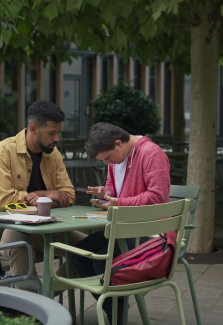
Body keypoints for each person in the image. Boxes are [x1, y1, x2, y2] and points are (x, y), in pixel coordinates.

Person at [70, 122, 171, 323]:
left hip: (152, 235)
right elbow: (113, 190)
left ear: (118, 143)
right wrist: (105, 195)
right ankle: (115, 310)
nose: (110, 163)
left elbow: (158, 198)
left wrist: (119, 202)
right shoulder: (116, 159)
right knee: (77, 256)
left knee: (102, 259)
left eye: (108, 158)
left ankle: (116, 315)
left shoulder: (152, 154)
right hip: (123, 229)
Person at [0, 100, 86, 286]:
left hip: (46, 226)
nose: (57, 139)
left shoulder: (53, 154)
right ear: (33, 129)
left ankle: (47, 296)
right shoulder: (3, 152)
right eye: (51, 133)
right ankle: (29, 312)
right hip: (5, 226)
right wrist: (46, 196)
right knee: (21, 247)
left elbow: (68, 194)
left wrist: (42, 195)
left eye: (58, 132)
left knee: (89, 249)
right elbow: (2, 201)